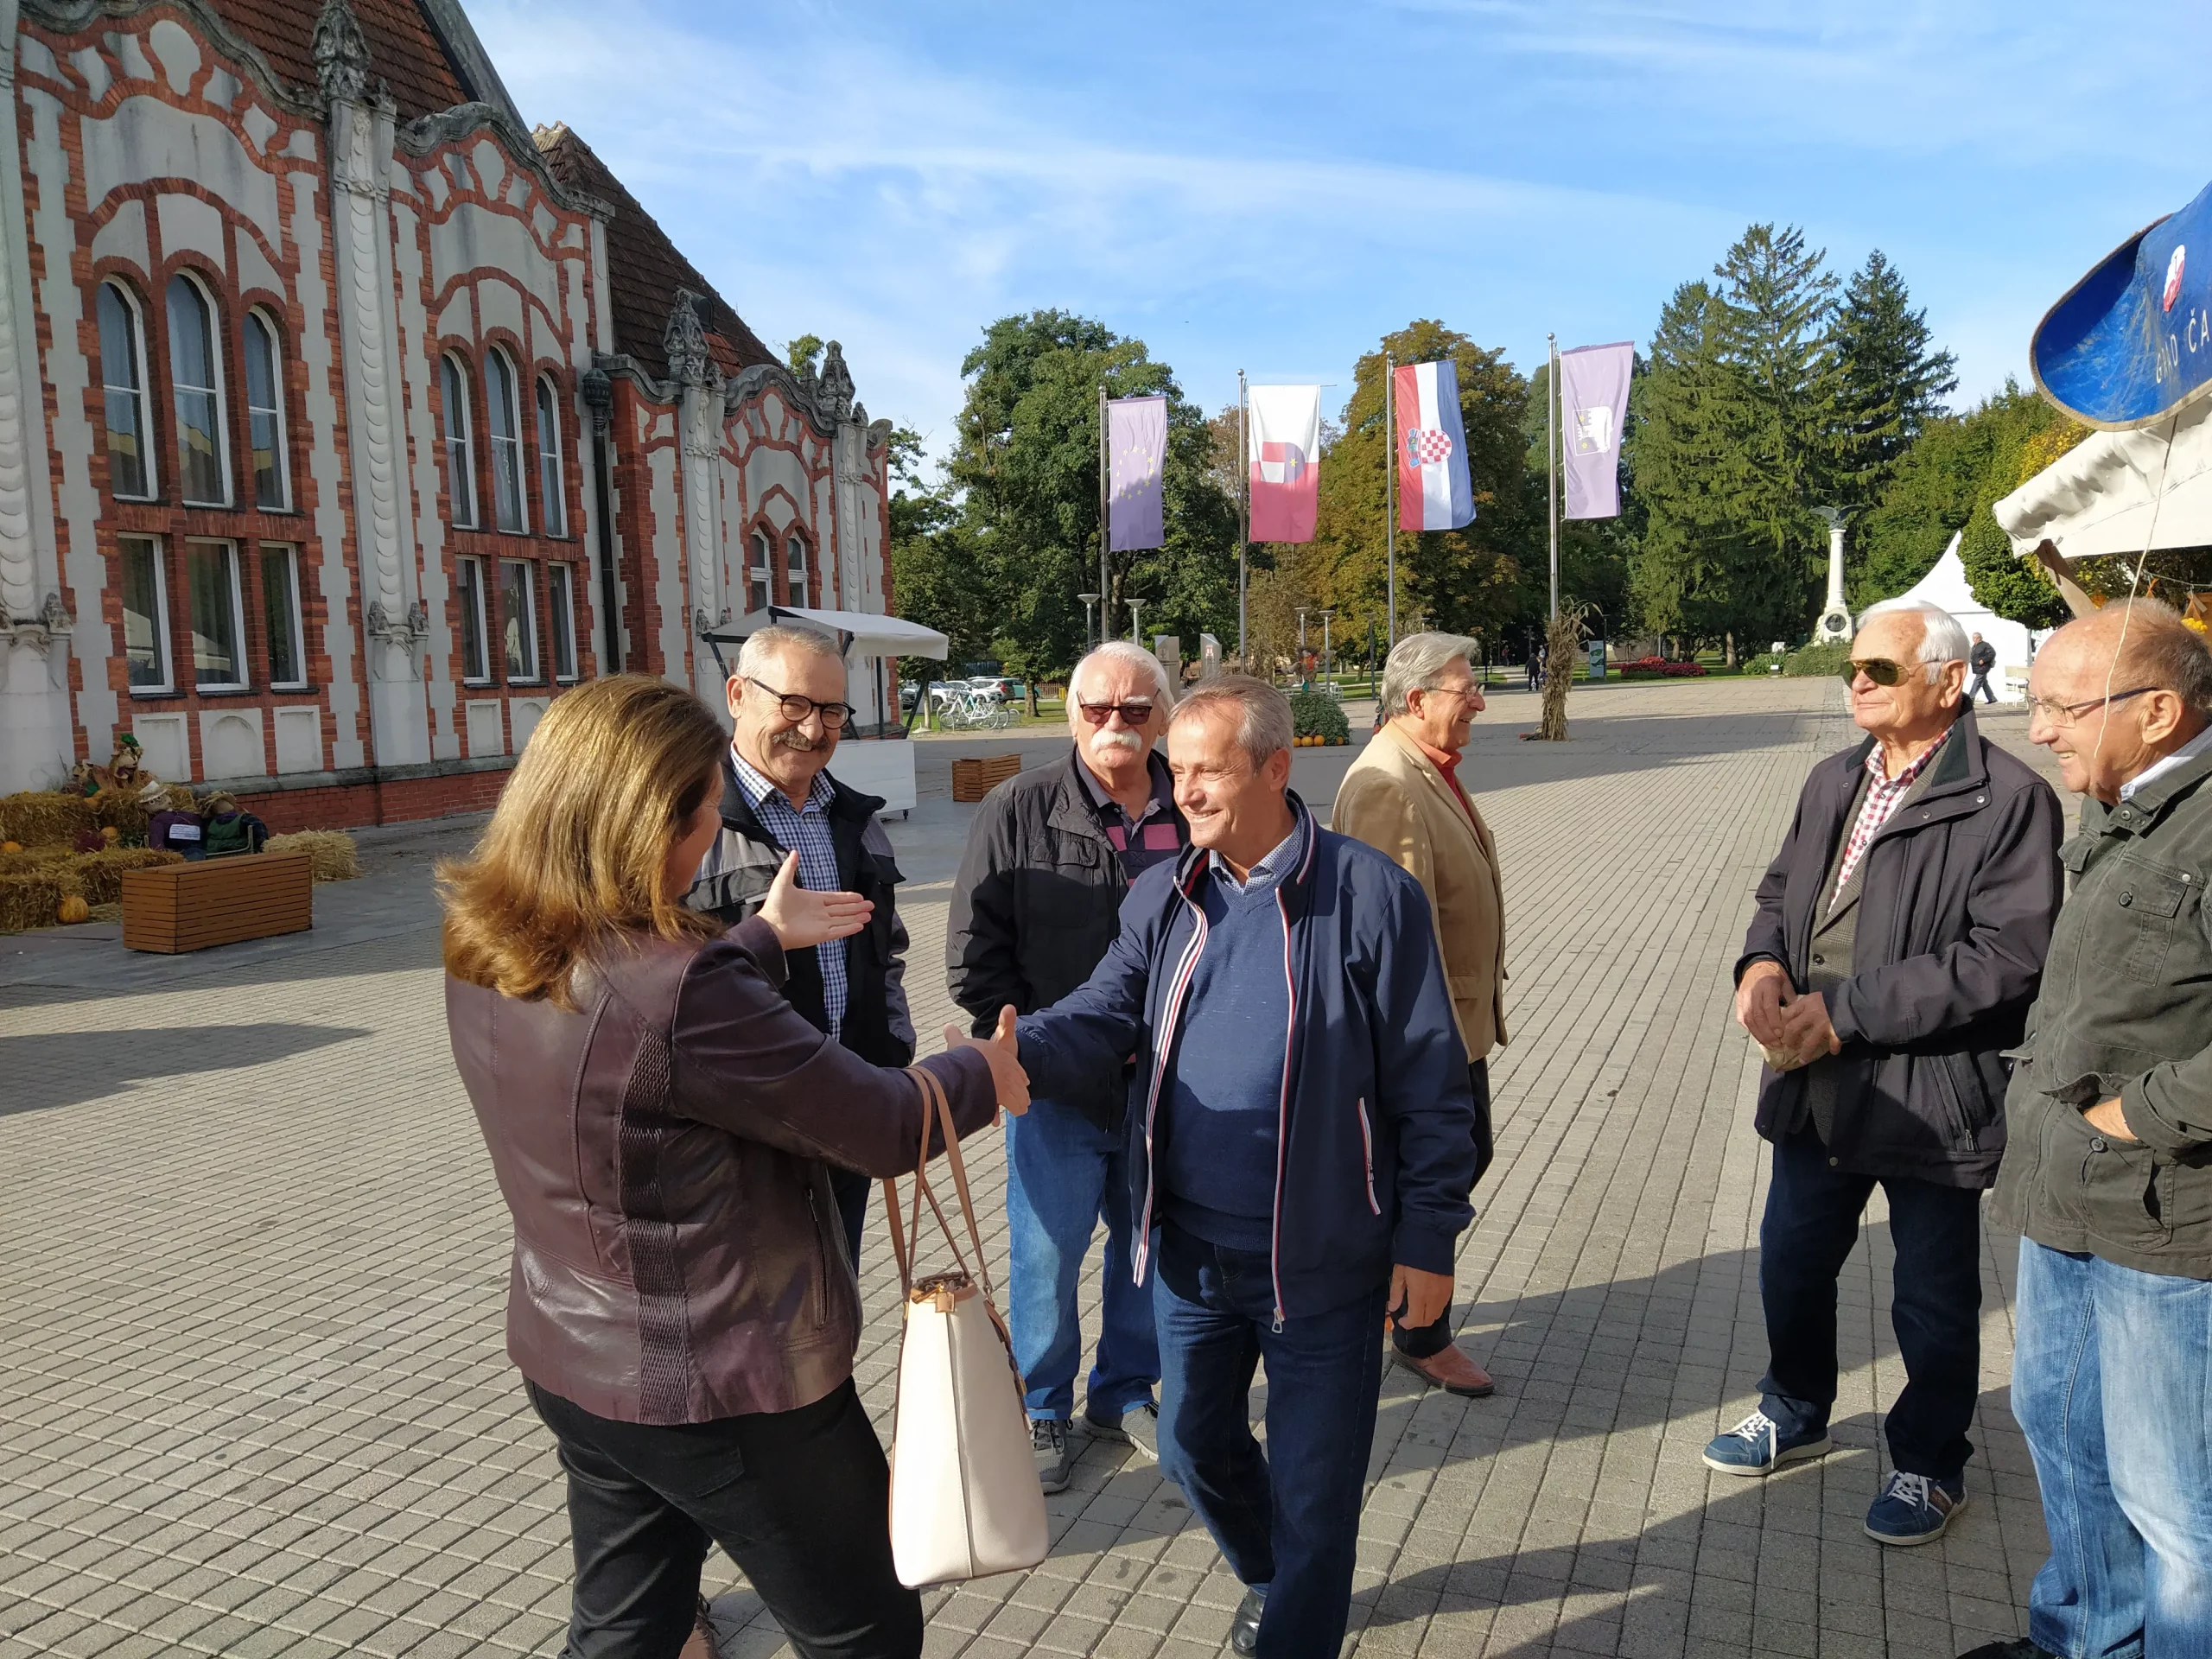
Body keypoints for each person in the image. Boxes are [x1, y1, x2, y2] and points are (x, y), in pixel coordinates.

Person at [441, 674, 1029, 1659]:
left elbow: (638, 1039)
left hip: (576, 1356)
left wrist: (758, 936)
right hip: (724, 1387)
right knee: (864, 1630)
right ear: (642, 823)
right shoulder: (681, 983)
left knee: (627, 1624)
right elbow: (881, 1125)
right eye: (708, 814)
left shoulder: (489, 940)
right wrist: (984, 1070)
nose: (713, 833)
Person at [1014, 676, 1475, 1659]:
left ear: (1276, 766)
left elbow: (1432, 1086)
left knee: (1316, 1489)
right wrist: (1016, 1054)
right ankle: (1275, 1578)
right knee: (1188, 1443)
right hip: (1188, 1253)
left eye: (1206, 770)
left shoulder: (1365, 896)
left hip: (1321, 1258)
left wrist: (1428, 1236)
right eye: (1174, 771)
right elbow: (1104, 1009)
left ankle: (1296, 1620)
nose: (1183, 792)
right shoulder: (1165, 892)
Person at [1718, 597, 2063, 1547]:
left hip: (1931, 1089)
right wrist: (1760, 967)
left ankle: (1927, 1461)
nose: (1858, 683)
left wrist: (1846, 1011)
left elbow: (2007, 958)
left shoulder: (2008, 798)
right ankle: (1793, 1408)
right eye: (1853, 671)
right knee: (1790, 1262)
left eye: (1881, 670)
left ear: (1949, 682)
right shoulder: (1835, 778)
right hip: (1815, 1079)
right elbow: (1782, 891)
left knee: (1932, 1296)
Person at [1961, 603, 2212, 1659]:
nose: (2038, 728)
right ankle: (2084, 1636)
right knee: (2061, 1438)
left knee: (2175, 1507)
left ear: (2156, 711)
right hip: (2065, 1198)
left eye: (2061, 706)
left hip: (2165, 1220)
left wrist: (2137, 1114)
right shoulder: (2129, 804)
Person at [946, 640, 1185, 1491]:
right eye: (1097, 709)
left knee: (1144, 1249)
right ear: (1071, 712)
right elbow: (976, 952)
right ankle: (1042, 1409)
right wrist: (1017, 1058)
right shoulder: (1019, 806)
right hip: (1054, 1084)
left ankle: (1121, 1393)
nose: (1115, 725)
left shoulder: (1191, 802)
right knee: (1046, 1254)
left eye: (1133, 710)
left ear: (1162, 715)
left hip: (1168, 1085)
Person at [685, 624, 913, 1268]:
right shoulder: (686, 822)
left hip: (846, 1109)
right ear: (737, 694)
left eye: (832, 711)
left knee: (832, 1303)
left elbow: (886, 953)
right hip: (737, 1133)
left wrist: (891, 1057)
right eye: (793, 704)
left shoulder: (856, 818)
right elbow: (653, 975)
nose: (813, 730)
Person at [1332, 632, 1506, 1397]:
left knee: (1456, 1160)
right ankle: (1418, 1331)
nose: (1477, 701)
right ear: (1415, 700)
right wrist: (1415, 1050)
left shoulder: (1424, 769)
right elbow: (1392, 943)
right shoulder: (1387, 785)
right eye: (1464, 688)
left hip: (1453, 1022)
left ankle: (1391, 1305)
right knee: (1433, 1173)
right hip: (1425, 1037)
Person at [1967, 632, 1999, 704]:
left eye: (1975, 638)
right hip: (1977, 667)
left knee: (1977, 681)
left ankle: (1970, 698)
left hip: (1983, 667)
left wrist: (1983, 660)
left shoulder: (1985, 645)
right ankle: (1992, 698)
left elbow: (1992, 653)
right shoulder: (1975, 646)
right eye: (1973, 638)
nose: (1974, 639)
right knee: (1984, 682)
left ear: (1979, 638)